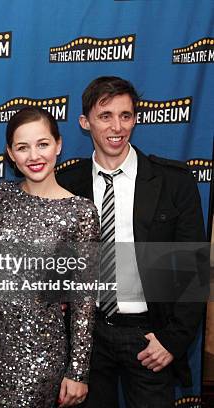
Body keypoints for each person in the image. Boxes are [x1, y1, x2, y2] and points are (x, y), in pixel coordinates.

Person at [57, 76, 207, 407]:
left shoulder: (173, 183)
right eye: (106, 116)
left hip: (149, 336)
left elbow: (193, 272)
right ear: (85, 122)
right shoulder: (65, 185)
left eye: (126, 116)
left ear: (135, 119)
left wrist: (172, 340)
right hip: (88, 338)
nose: (117, 126)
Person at [0, 107, 99, 407]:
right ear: (11, 154)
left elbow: (84, 299)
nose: (34, 156)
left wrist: (77, 370)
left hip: (38, 353)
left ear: (59, 145)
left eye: (43, 144)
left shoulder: (81, 213)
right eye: (22, 147)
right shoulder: (1, 196)